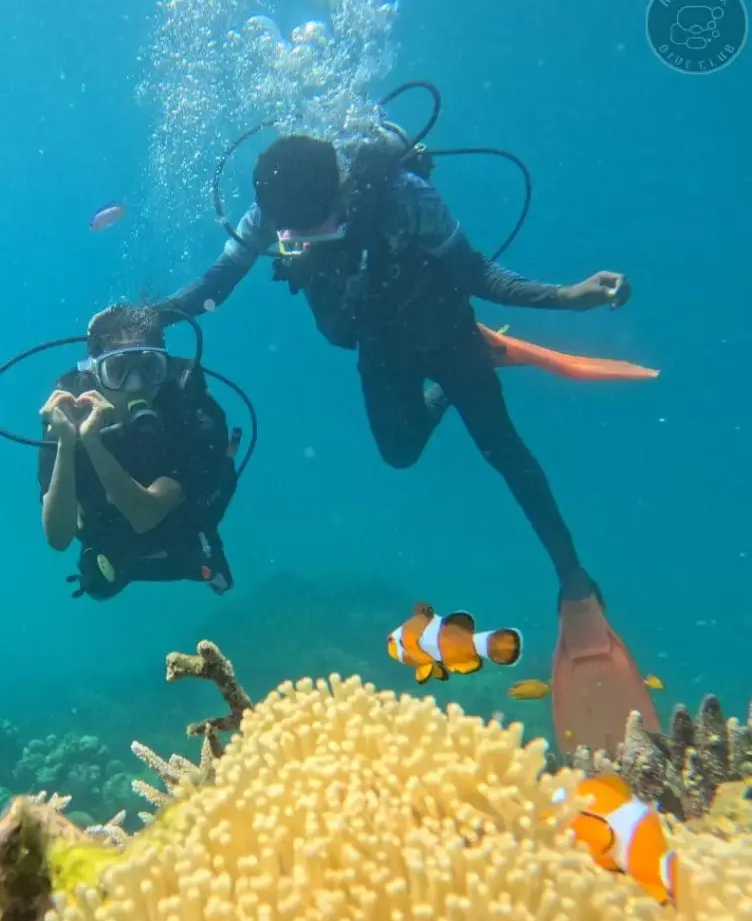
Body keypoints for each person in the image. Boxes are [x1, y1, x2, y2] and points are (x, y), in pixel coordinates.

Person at [153, 132, 659, 752]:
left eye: (315, 227)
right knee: (399, 452)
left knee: (502, 448)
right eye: (292, 234)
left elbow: (478, 273)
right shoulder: (271, 214)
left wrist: (566, 298)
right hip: (380, 347)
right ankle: (449, 387)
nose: (303, 240)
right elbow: (218, 281)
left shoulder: (404, 197)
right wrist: (156, 317)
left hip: (447, 331)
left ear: (338, 189)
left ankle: (574, 578)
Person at [37, 304, 237, 600]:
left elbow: (145, 515)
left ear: (165, 368)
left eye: (150, 368)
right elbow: (58, 537)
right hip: (113, 539)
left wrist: (94, 445)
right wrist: (66, 445)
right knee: (98, 587)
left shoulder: (185, 406)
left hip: (179, 530)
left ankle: (204, 558)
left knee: (202, 561)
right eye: (117, 371)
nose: (136, 385)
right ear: (94, 373)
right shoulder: (70, 411)